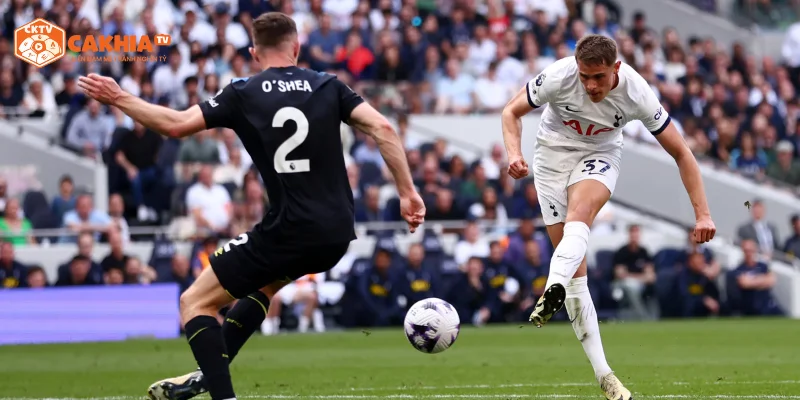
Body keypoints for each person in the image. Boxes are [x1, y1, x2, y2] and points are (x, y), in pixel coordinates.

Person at [78, 12, 425, 400]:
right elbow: (384, 129)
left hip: (289, 229)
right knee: (263, 286)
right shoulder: (329, 85)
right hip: (337, 232)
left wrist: (118, 96)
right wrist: (408, 193)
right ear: (296, 47)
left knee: (194, 302)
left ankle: (221, 392)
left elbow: (174, 124)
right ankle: (208, 375)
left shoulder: (242, 92)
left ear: (253, 52)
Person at [500, 34, 716, 400]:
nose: (590, 85)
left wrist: (703, 214)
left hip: (599, 155)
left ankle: (551, 284)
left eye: (598, 77)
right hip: (551, 159)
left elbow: (681, 152)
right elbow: (510, 112)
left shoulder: (637, 93)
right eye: (585, 76)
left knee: (579, 214)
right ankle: (606, 377)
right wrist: (513, 154)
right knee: (576, 278)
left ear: (616, 68)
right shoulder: (558, 76)